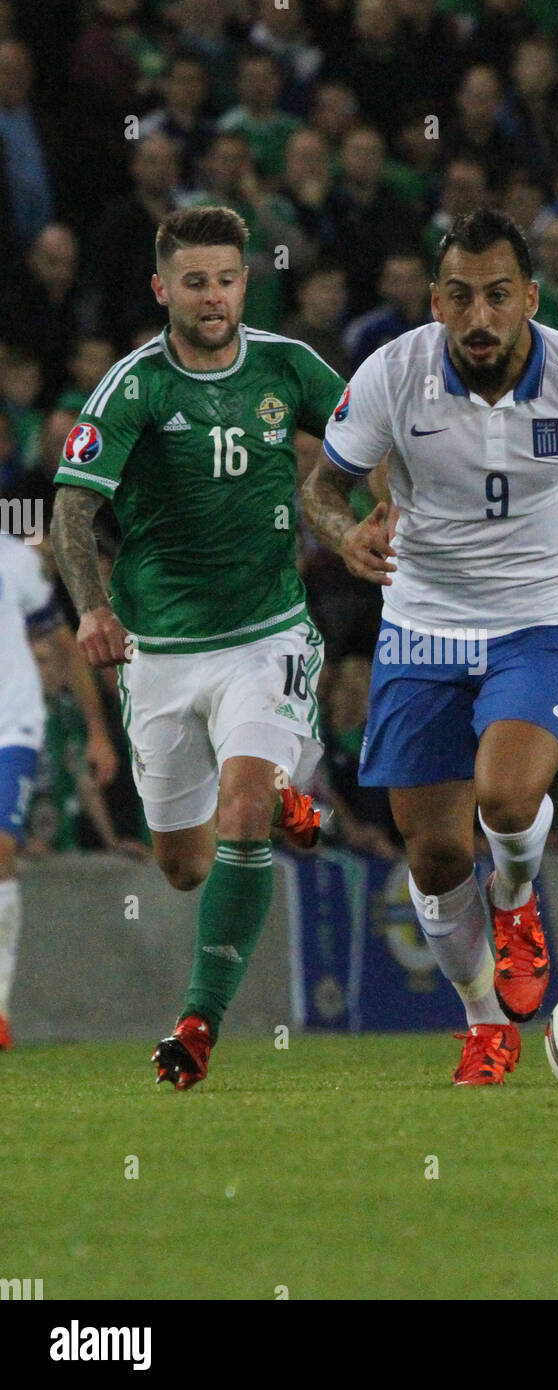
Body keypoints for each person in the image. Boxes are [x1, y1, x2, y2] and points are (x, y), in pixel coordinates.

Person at [302, 209, 558, 1085]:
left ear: (530, 298)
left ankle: (516, 900)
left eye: (497, 296)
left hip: (544, 615)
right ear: (435, 301)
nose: (479, 318)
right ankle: (485, 1024)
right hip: (422, 622)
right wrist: (344, 536)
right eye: (459, 297)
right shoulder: (392, 376)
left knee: (508, 799)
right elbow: (321, 488)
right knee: (436, 856)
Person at [50, 205, 346, 1090]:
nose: (212, 297)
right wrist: (94, 610)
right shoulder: (134, 387)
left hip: (266, 634)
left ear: (244, 282)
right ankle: (282, 794)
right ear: (161, 289)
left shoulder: (291, 367)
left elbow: (370, 437)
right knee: (183, 866)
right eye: (194, 283)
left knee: (245, 811)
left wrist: (378, 510)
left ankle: (198, 1021)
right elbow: (71, 508)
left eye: (225, 280)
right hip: (161, 652)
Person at [0, 532, 116, 1049]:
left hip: (11, 725)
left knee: (1, 849)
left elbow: (64, 642)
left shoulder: (13, 558)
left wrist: (95, 730)